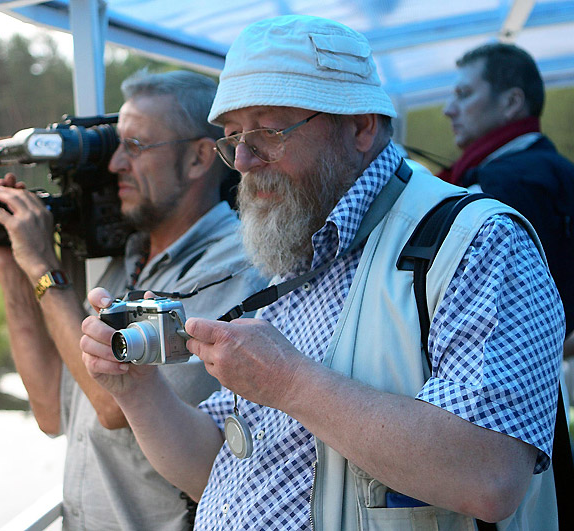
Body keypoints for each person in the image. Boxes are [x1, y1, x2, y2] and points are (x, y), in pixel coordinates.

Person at [81, 15, 565, 530]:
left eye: (268, 129)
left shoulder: (480, 241)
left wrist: (289, 382)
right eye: (231, 136)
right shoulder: (299, 249)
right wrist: (136, 390)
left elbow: (490, 477)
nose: (243, 159)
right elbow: (218, 470)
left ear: (360, 125)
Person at [0, 69, 267, 530]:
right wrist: (13, 263)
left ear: (197, 159)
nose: (114, 166)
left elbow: (113, 407)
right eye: (115, 147)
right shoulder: (128, 259)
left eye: (135, 146)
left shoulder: (233, 267)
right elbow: (52, 410)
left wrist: (45, 270)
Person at [441, 42, 574, 346]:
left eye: (464, 95)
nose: (448, 110)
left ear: (512, 102)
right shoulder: (554, 169)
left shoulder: (501, 184)